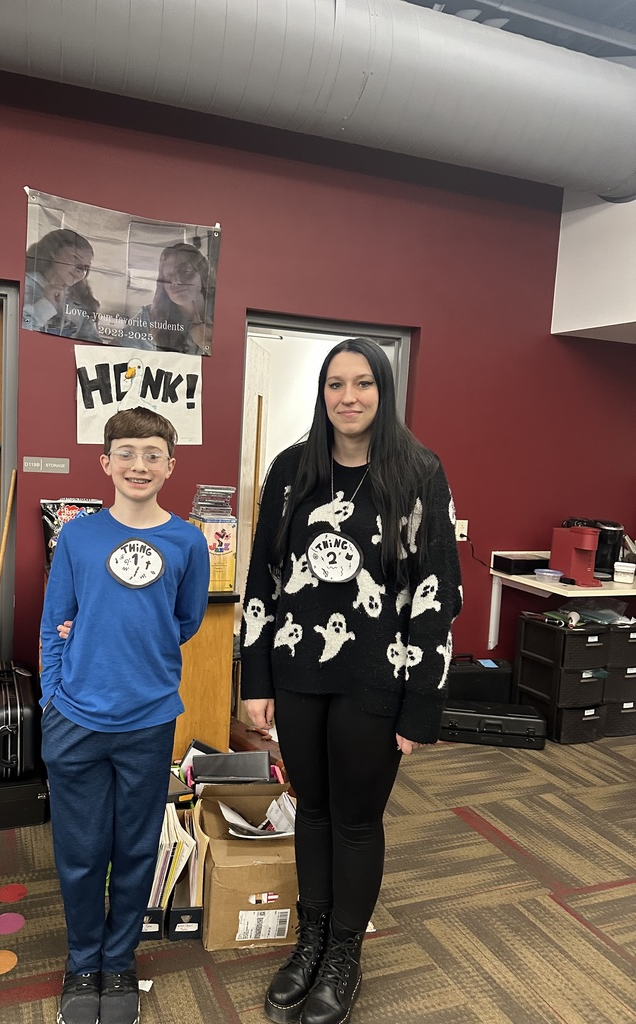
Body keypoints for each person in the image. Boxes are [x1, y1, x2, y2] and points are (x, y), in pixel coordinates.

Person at [241, 337, 462, 1024]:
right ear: (323, 393)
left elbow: (437, 591)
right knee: (310, 808)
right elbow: (263, 580)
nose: (348, 397)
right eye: (336, 384)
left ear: (382, 390)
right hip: (298, 669)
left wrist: (421, 704)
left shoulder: (418, 472)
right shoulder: (291, 471)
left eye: (362, 383)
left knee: (357, 822)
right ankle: (309, 944)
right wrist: (255, 676)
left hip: (377, 677)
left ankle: (344, 953)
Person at [39, 406, 210, 1024]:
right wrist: (52, 698)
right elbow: (53, 619)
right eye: (128, 452)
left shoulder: (188, 540)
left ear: (170, 465)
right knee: (81, 850)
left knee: (136, 848)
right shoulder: (79, 536)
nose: (140, 464)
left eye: (153, 453)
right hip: (76, 717)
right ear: (106, 462)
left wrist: (141, 650)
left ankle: (120, 960)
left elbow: (185, 621)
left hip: (148, 718)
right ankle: (83, 961)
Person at [126, 242, 212, 355]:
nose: (176, 281)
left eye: (185, 271)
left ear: (201, 272)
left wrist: (207, 343)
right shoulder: (149, 316)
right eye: (168, 276)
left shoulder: (223, 312)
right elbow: (111, 352)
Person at [23, 228, 102, 341]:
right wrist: (46, 305)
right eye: (75, 258)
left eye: (86, 267)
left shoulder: (80, 300)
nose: (81, 270)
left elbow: (91, 343)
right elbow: (13, 330)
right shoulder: (25, 283)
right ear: (53, 253)